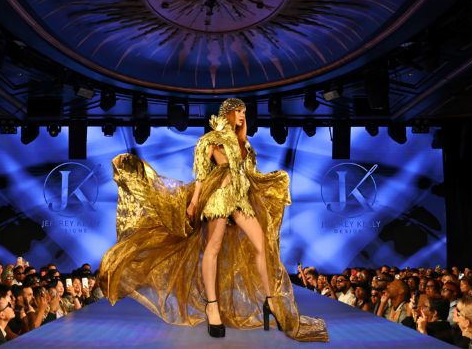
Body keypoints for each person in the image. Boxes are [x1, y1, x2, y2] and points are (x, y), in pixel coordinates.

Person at [99, 99, 328, 342]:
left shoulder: (242, 142)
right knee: (213, 247)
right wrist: (194, 201)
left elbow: (247, 172)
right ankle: (212, 307)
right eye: (238, 111)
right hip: (219, 195)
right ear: (227, 113)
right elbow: (201, 174)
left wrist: (257, 168)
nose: (242, 115)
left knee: (262, 245)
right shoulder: (211, 139)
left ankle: (270, 302)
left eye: (244, 111)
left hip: (241, 198)